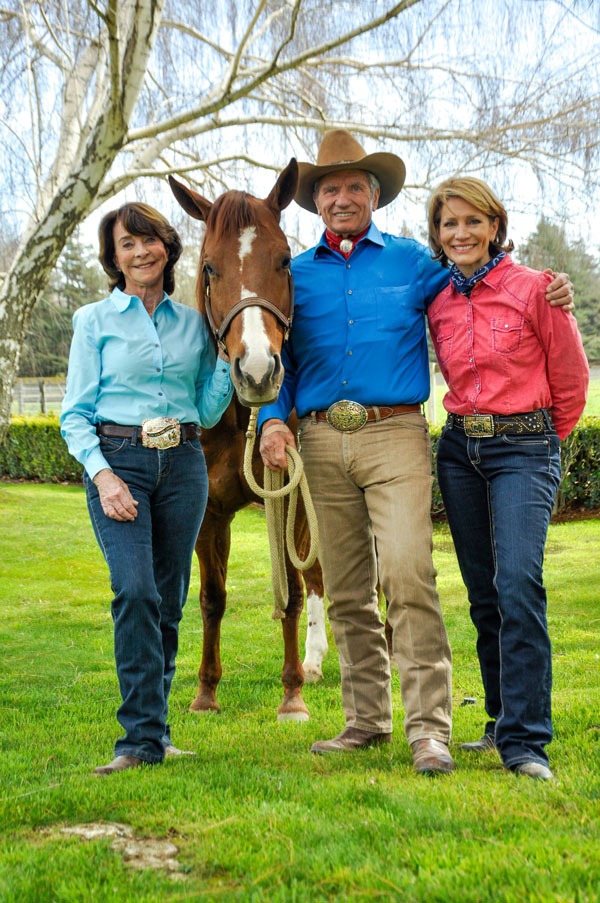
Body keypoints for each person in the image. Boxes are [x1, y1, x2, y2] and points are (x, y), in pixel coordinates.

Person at [258, 129, 574, 776]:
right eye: (329, 189)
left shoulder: (413, 263)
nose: (342, 198)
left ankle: (430, 729)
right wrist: (269, 419)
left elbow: (482, 275)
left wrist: (551, 285)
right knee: (345, 587)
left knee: (406, 574)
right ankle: (366, 720)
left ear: (374, 195)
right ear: (316, 202)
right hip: (319, 438)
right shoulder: (296, 274)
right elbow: (277, 357)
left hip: (396, 433)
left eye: (354, 186)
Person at [60, 202, 233, 775]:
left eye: (149, 240)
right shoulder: (95, 321)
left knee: (169, 597)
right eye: (126, 245)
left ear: (168, 247)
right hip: (119, 463)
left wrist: (229, 364)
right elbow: (75, 415)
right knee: (135, 591)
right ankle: (136, 740)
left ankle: (154, 732)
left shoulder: (194, 324)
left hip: (183, 464)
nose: (139, 252)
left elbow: (206, 409)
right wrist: (103, 474)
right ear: (113, 257)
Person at [426, 177, 588, 781]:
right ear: (437, 235)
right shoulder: (437, 297)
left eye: (473, 222)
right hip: (459, 451)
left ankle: (527, 743)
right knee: (484, 593)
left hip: (525, 448)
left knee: (519, 583)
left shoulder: (537, 290)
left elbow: (571, 382)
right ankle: (498, 722)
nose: (461, 233)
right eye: (449, 224)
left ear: (495, 226)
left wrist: (542, 446)